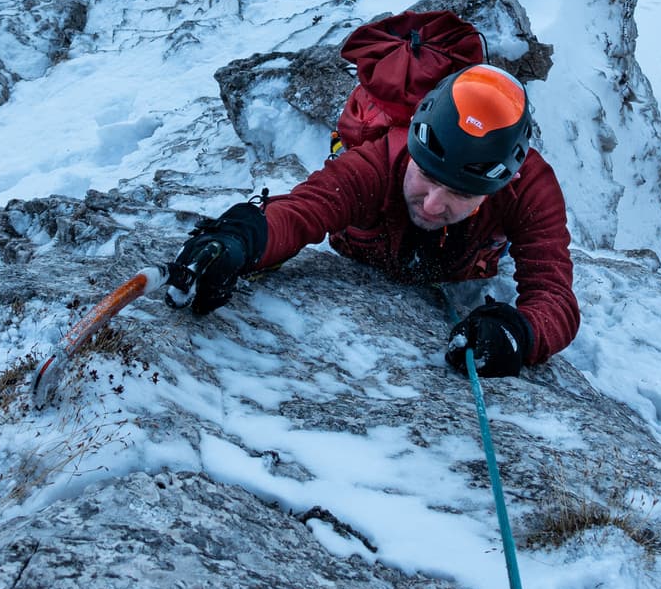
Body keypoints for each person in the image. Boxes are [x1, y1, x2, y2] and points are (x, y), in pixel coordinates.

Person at [166, 63, 579, 377]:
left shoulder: (530, 189)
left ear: (498, 185)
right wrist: (236, 241)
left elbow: (554, 296)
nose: (434, 205)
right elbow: (303, 210)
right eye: (428, 177)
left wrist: (519, 333)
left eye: (461, 193)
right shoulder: (379, 162)